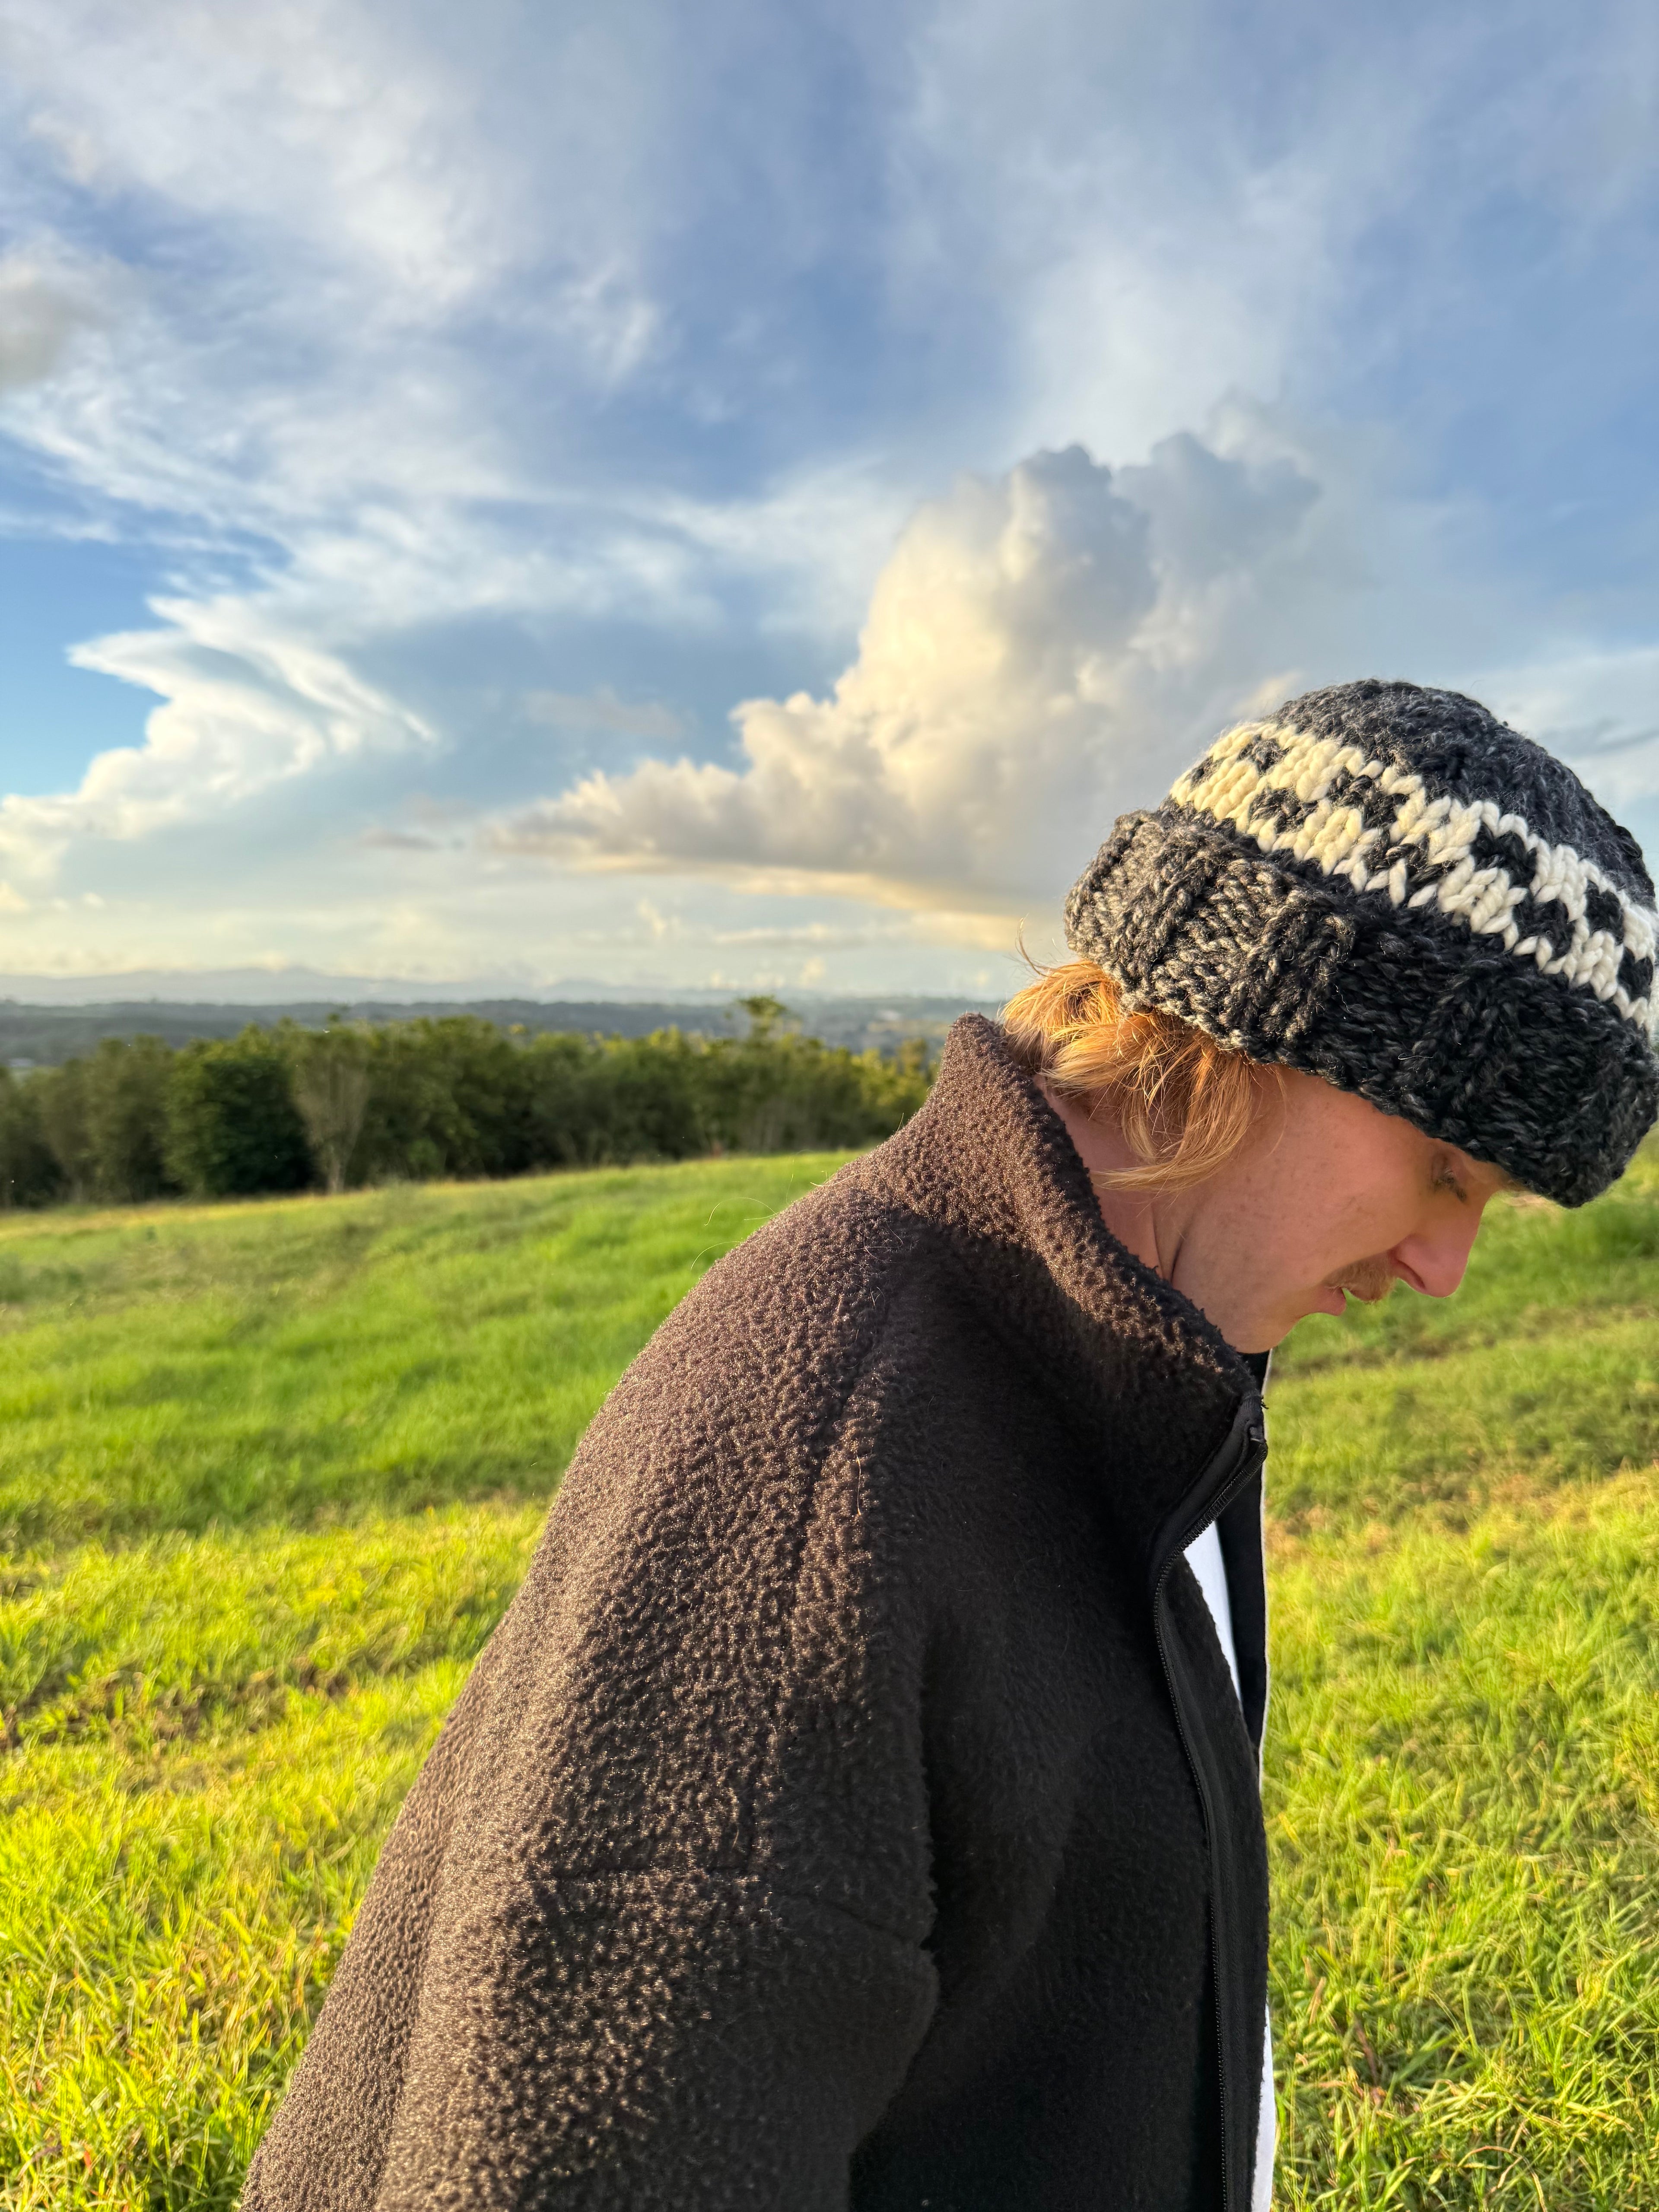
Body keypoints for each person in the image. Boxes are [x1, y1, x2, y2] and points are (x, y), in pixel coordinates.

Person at [242, 680, 1659, 2212]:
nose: (1442, 1274)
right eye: (1447, 1173)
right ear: (1245, 1023)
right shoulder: (820, 1485)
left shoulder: (1146, 1355)